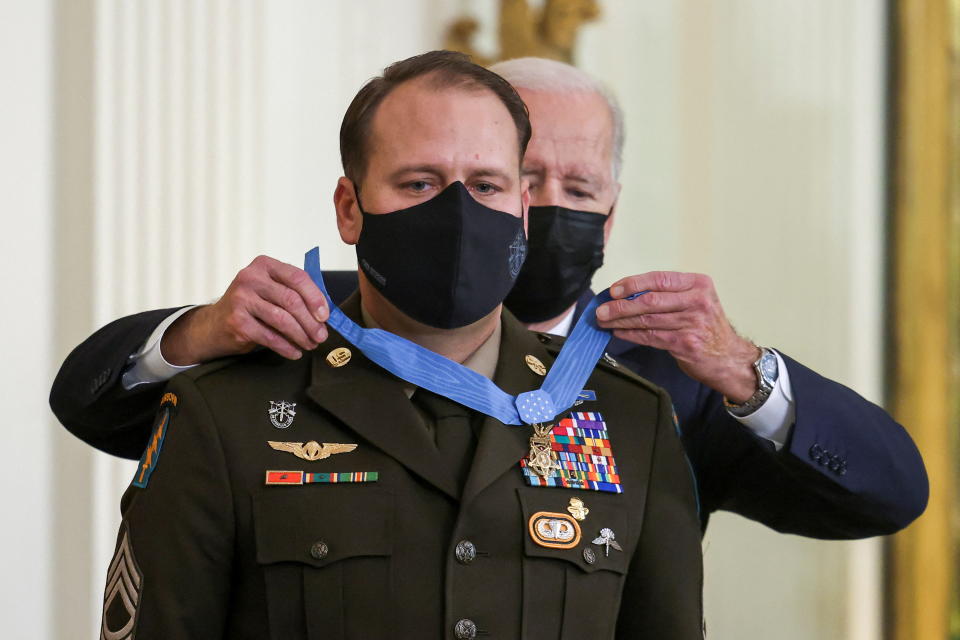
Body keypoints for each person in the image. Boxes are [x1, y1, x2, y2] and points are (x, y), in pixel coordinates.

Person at [50, 56, 927, 540]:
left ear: (612, 218)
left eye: (577, 189)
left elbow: (890, 494)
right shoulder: (310, 322)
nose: (542, 208)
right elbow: (90, 402)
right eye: (520, 176)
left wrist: (745, 372)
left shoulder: (666, 380)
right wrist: (199, 332)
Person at [93, 51, 704, 639]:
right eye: (419, 183)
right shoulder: (226, 413)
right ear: (349, 209)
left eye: (486, 184)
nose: (459, 212)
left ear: (522, 211)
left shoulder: (631, 420)